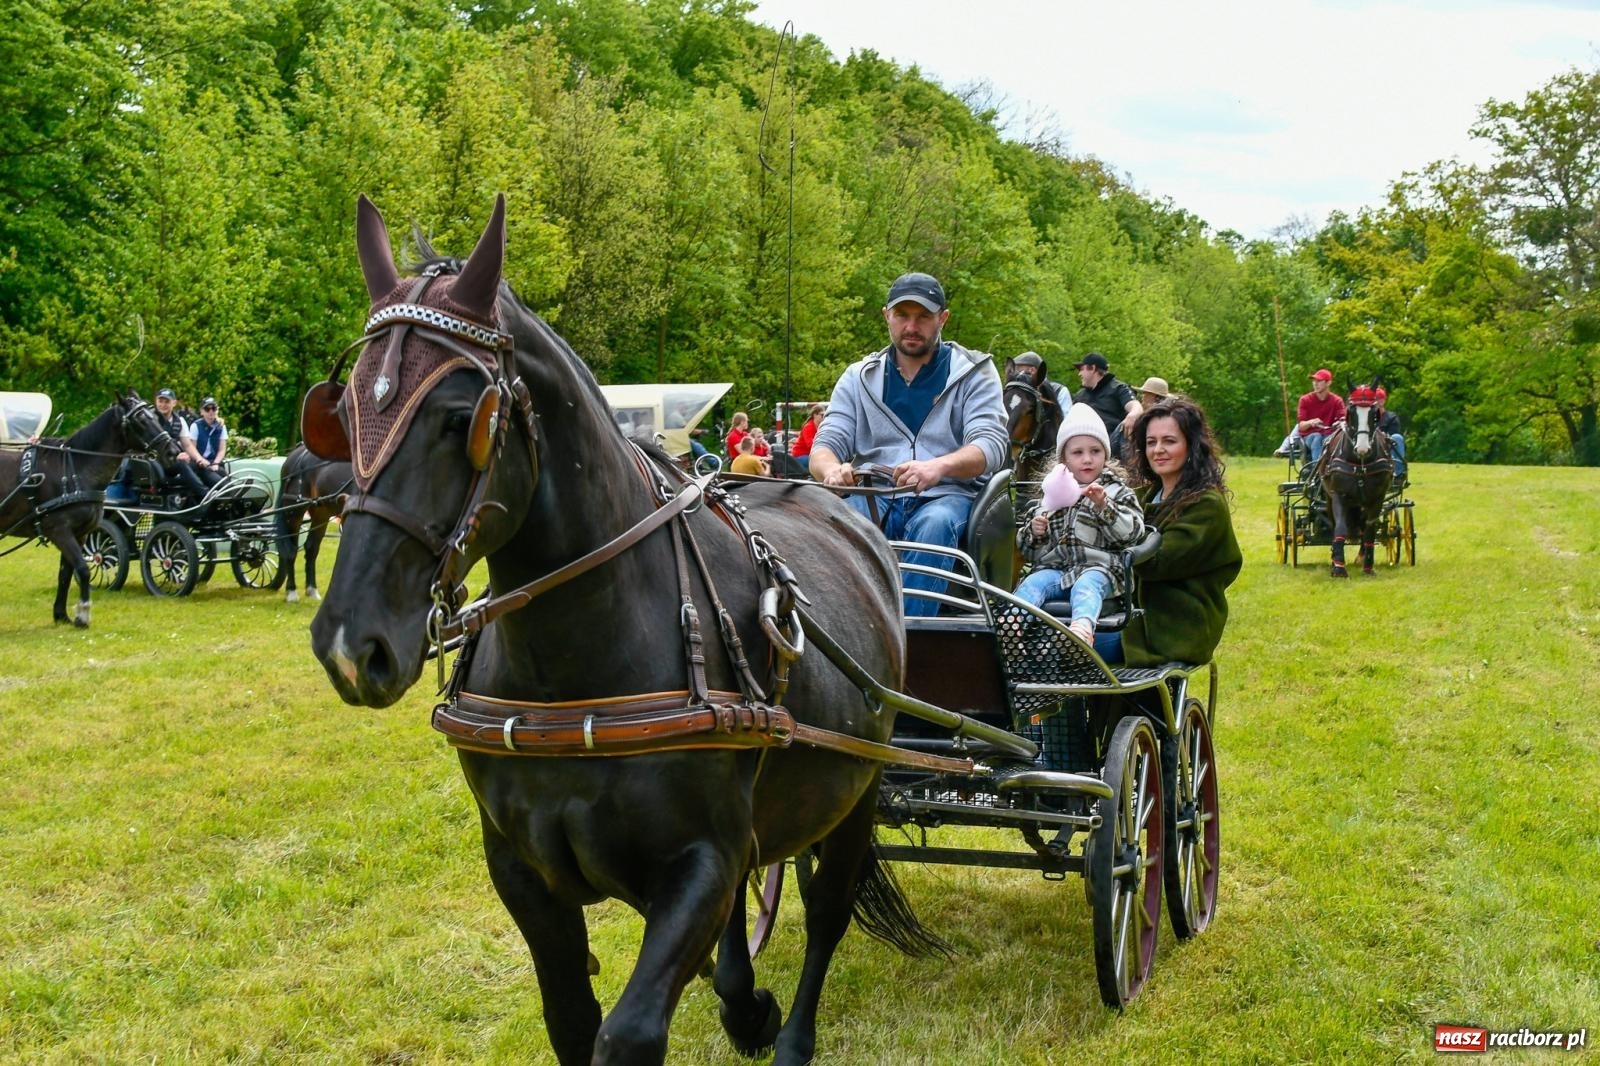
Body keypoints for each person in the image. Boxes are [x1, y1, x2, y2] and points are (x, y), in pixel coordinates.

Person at [810, 271, 1008, 617]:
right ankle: (833, 627)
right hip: (874, 494)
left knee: (935, 524)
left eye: (923, 317)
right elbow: (826, 444)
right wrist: (832, 471)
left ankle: (910, 633)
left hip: (948, 495)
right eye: (902, 315)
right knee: (832, 520)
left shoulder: (975, 372)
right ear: (886, 315)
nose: (911, 326)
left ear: (943, 319)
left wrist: (939, 467)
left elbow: (989, 445)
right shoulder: (857, 377)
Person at [1112, 396, 1243, 667]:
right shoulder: (1143, 495)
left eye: (1169, 441)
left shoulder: (1206, 505)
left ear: (1191, 446)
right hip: (1129, 613)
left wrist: (1112, 526)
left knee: (1069, 645)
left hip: (1174, 624)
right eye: (1151, 442)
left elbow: (1156, 563)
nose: (1158, 450)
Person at [1013, 404, 1146, 643]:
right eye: (1077, 453)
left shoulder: (1117, 492)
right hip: (1057, 570)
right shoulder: (1052, 495)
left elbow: (1134, 534)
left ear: (1105, 455)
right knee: (1034, 582)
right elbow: (1029, 552)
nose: (1087, 459)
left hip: (1102, 570)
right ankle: (1012, 625)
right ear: (1063, 458)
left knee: (1086, 584)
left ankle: (1082, 631)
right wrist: (1034, 531)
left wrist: (1105, 507)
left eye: (1095, 451)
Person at [1071, 352, 1141, 459]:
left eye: (1081, 369)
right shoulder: (1079, 396)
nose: (1079, 374)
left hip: (1113, 443)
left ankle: (1124, 467)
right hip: (1086, 443)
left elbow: (1136, 406)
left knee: (1123, 428)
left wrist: (1133, 415)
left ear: (1092, 368)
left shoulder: (1118, 388)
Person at [1296, 369, 1346, 465]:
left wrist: (1339, 423)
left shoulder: (1337, 401)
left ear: (1328, 383)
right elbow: (1301, 426)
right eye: (1314, 381)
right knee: (1317, 437)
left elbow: (1343, 420)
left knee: (1335, 439)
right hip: (1310, 436)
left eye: (1319, 381)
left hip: (1329, 435)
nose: (1315, 383)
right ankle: (1317, 468)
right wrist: (1311, 422)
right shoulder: (1305, 400)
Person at [189, 396, 227, 488]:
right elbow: (192, 448)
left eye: (213, 408)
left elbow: (222, 449)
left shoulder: (221, 426)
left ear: (217, 410)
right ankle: (230, 489)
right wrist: (201, 460)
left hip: (214, 461)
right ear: (202, 412)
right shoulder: (195, 426)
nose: (211, 411)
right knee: (210, 475)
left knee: (221, 472)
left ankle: (232, 489)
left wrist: (216, 463)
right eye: (207, 409)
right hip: (199, 463)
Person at [1376, 387, 1406, 485]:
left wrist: (1382, 436)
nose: (1377, 402)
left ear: (1383, 401)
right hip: (1371, 445)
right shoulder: (1366, 417)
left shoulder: (1391, 417)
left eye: (1379, 399)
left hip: (1386, 445)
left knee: (1397, 438)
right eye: (1375, 399)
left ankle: (1398, 474)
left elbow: (1394, 433)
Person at [789, 403, 825, 471]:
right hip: (800, 455)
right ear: (815, 415)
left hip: (809, 455)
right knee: (821, 462)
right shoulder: (809, 427)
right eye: (822, 415)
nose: (824, 417)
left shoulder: (820, 427)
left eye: (825, 415)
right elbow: (810, 445)